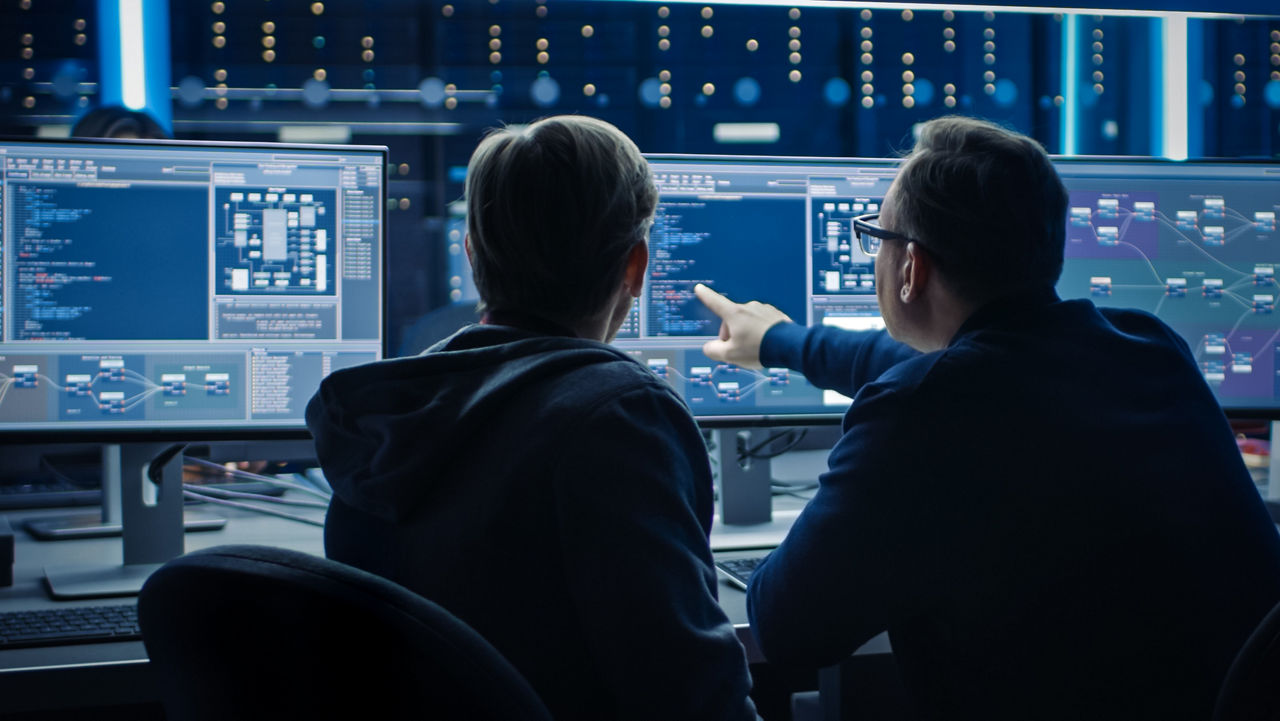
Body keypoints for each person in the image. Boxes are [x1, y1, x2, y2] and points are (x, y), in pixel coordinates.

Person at [695, 115, 1280, 720]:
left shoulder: (918, 414)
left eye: (877, 235)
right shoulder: (1149, 347)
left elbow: (787, 628)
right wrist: (782, 342)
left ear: (911, 268)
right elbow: (964, 371)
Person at [306, 115, 756, 721]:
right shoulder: (620, 416)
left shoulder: (382, 415)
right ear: (636, 266)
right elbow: (697, 699)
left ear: (471, 257)